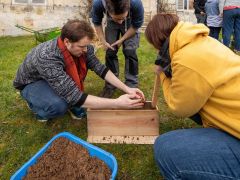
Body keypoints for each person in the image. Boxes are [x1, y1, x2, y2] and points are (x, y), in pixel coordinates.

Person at [145, 13, 240, 179]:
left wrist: (162, 75)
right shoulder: (203, 41)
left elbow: (178, 107)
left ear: (158, 41)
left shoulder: (185, 59)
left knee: (165, 148)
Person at [13, 19, 145, 122]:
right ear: (67, 42)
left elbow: (101, 69)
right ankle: (36, 106)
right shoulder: (47, 57)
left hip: (52, 76)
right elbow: (74, 96)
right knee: (59, 106)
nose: (86, 50)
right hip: (31, 82)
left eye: (87, 46)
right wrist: (117, 103)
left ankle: (63, 100)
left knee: (68, 93)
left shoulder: (84, 48)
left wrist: (127, 89)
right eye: (82, 47)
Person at [91, 0, 144, 98]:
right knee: (110, 52)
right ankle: (111, 84)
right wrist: (103, 41)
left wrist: (122, 40)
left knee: (130, 51)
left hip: (130, 22)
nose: (120, 22)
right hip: (111, 21)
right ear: (107, 9)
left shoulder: (136, 3)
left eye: (122, 18)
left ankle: (131, 84)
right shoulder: (98, 3)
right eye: (117, 19)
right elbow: (97, 23)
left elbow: (136, 25)